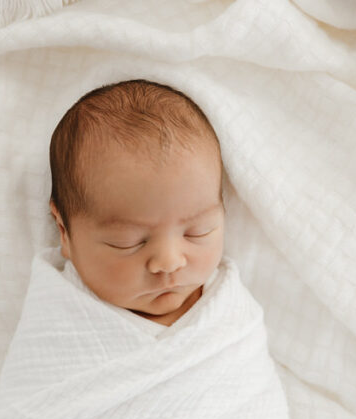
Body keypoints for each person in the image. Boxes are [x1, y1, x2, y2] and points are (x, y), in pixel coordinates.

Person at [48, 78, 226, 328]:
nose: (169, 262)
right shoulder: (58, 318)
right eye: (128, 242)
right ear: (64, 231)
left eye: (198, 232)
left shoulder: (227, 302)